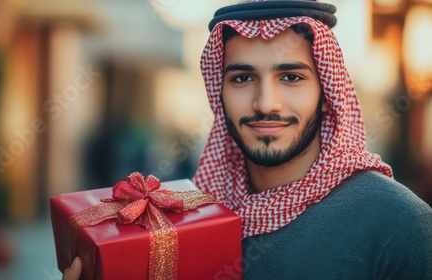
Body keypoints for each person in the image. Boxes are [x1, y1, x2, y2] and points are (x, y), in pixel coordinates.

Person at [63, 0, 432, 279]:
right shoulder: (183, 224)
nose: (266, 103)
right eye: (242, 78)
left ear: (327, 91)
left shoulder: (400, 224)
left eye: (291, 77)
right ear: (218, 92)